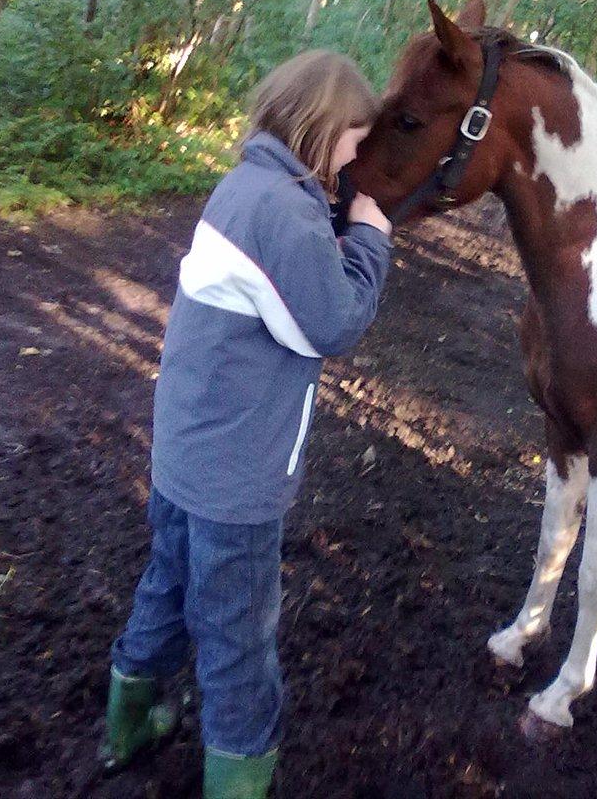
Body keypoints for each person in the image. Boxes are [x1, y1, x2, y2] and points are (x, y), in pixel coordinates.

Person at [101, 51, 392, 799]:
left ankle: (125, 726)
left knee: (166, 584)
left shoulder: (244, 188)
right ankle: (239, 778)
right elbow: (330, 323)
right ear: (325, 130)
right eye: (356, 141)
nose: (359, 159)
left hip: (184, 457)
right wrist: (367, 237)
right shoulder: (286, 212)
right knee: (237, 639)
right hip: (236, 478)